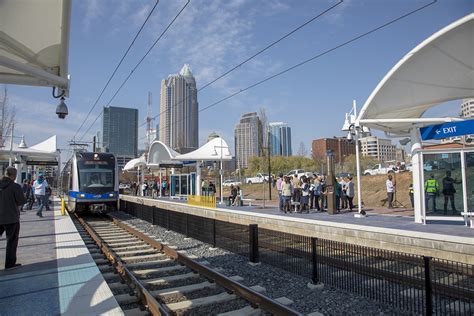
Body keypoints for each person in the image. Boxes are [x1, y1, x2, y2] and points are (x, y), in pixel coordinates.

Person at [0, 167, 27, 270]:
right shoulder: (15, 186)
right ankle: (9, 264)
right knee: (11, 241)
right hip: (11, 218)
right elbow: (21, 201)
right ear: (14, 175)